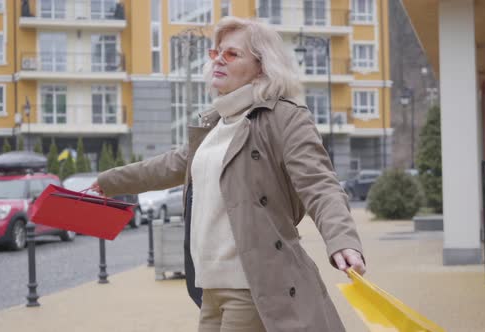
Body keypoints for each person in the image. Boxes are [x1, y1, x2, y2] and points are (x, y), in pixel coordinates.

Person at [92, 16, 365, 332]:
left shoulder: (283, 118)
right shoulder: (215, 124)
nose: (218, 59)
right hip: (209, 285)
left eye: (232, 54)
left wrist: (342, 239)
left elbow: (319, 183)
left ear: (261, 67)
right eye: (215, 52)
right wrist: (108, 182)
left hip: (252, 283)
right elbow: (168, 165)